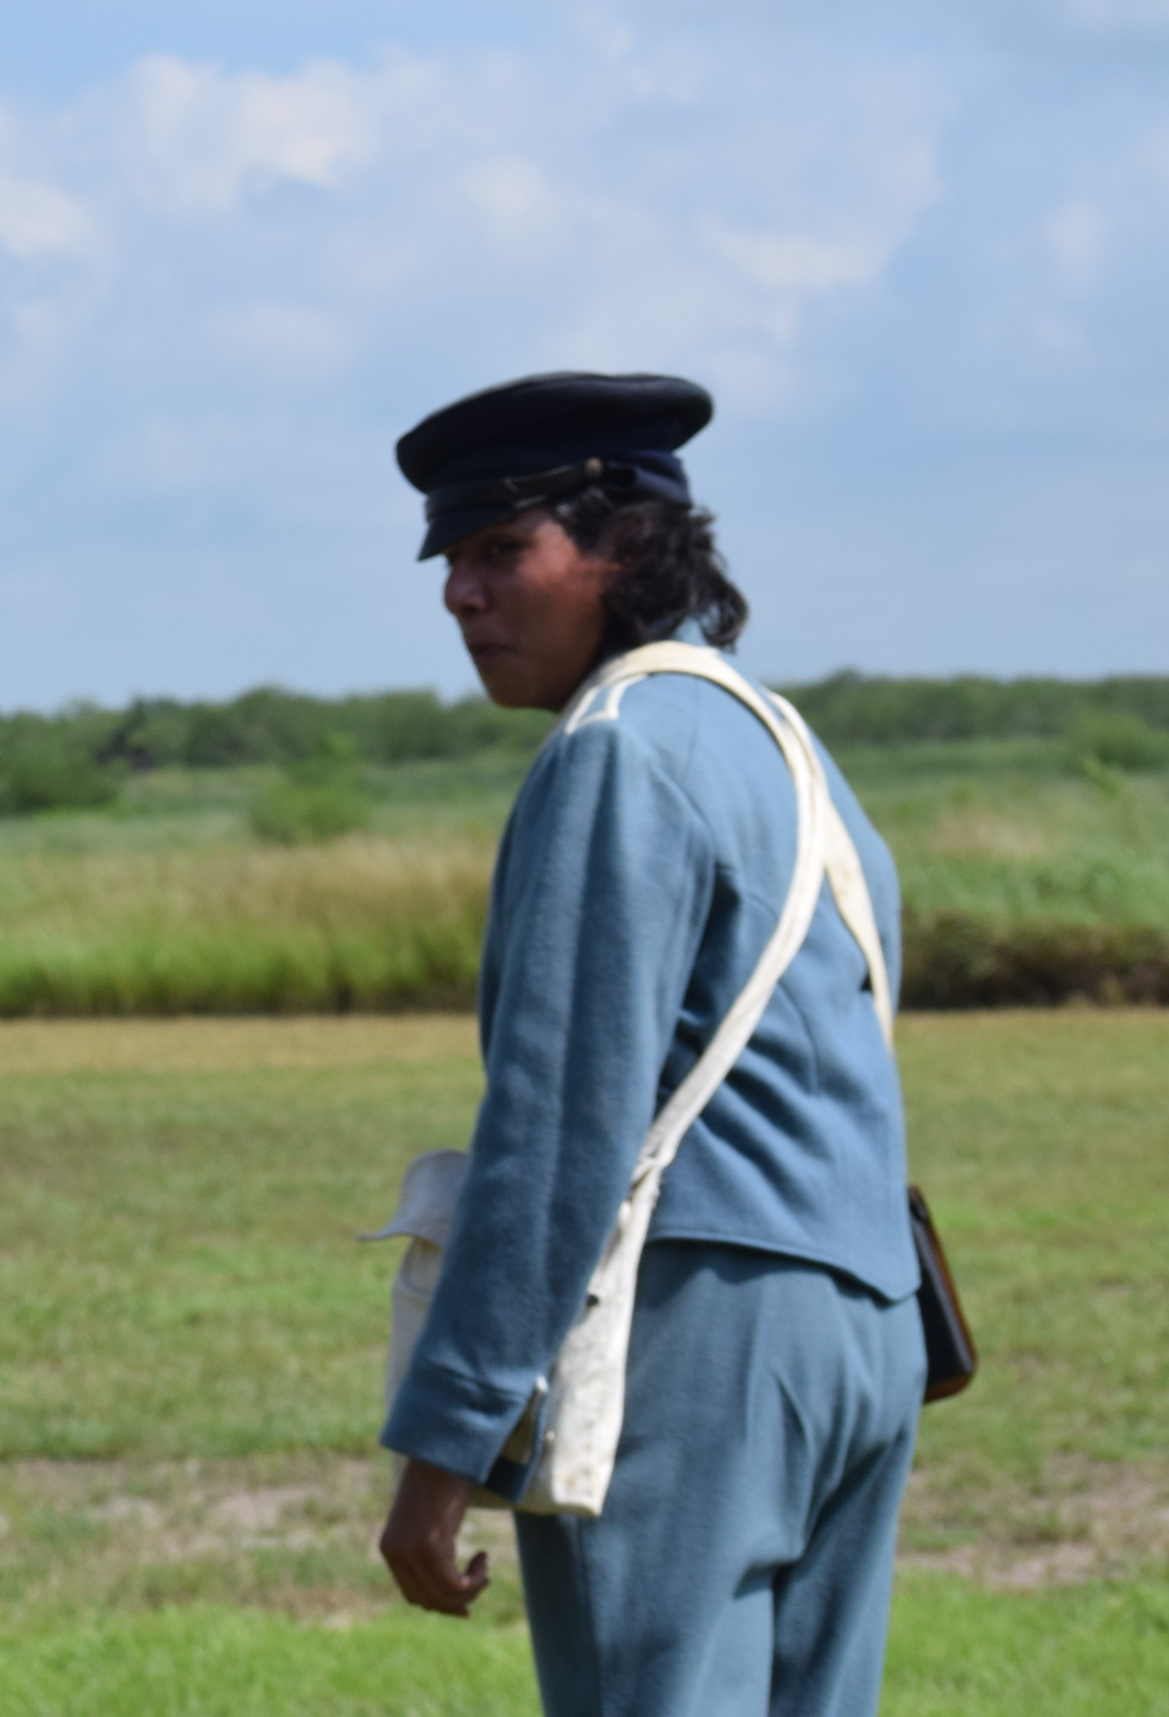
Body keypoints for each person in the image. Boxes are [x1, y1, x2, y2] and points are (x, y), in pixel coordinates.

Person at [372, 373, 921, 1715]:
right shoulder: (785, 745)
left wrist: (447, 1446)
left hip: (701, 1334)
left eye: (504, 549)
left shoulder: (618, 747)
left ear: (623, 544)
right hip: (868, 1322)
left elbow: (561, 1130)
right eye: (451, 558)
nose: (460, 593)